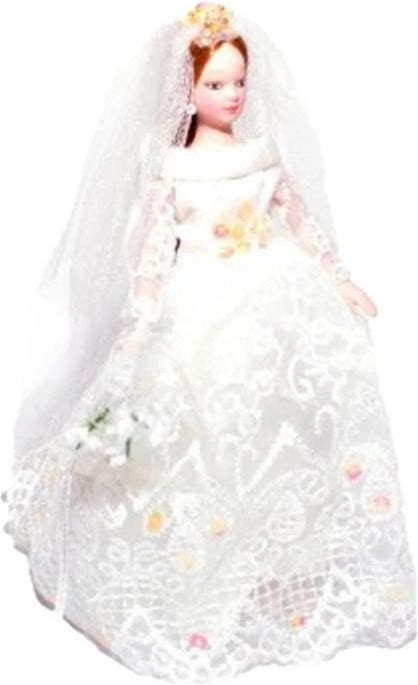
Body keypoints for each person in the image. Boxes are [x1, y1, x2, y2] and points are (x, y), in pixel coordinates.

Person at [2, 3, 416, 682]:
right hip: (198, 308)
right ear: (187, 91)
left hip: (276, 301)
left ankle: (281, 549)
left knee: (280, 420)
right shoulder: (173, 169)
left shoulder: (262, 155)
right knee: (201, 425)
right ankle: (207, 561)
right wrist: (140, 321)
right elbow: (153, 254)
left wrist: (341, 280)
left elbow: (301, 223)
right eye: (216, 84)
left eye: (238, 82)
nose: (232, 95)